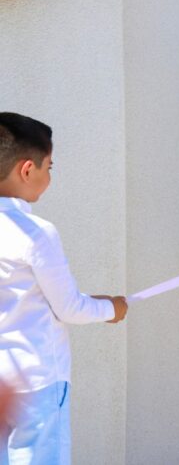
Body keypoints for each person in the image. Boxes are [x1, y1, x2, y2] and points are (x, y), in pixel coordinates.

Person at [0, 112, 128, 464]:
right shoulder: (36, 233)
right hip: (36, 382)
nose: (50, 175)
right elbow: (69, 307)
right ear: (28, 170)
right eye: (50, 167)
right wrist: (112, 308)